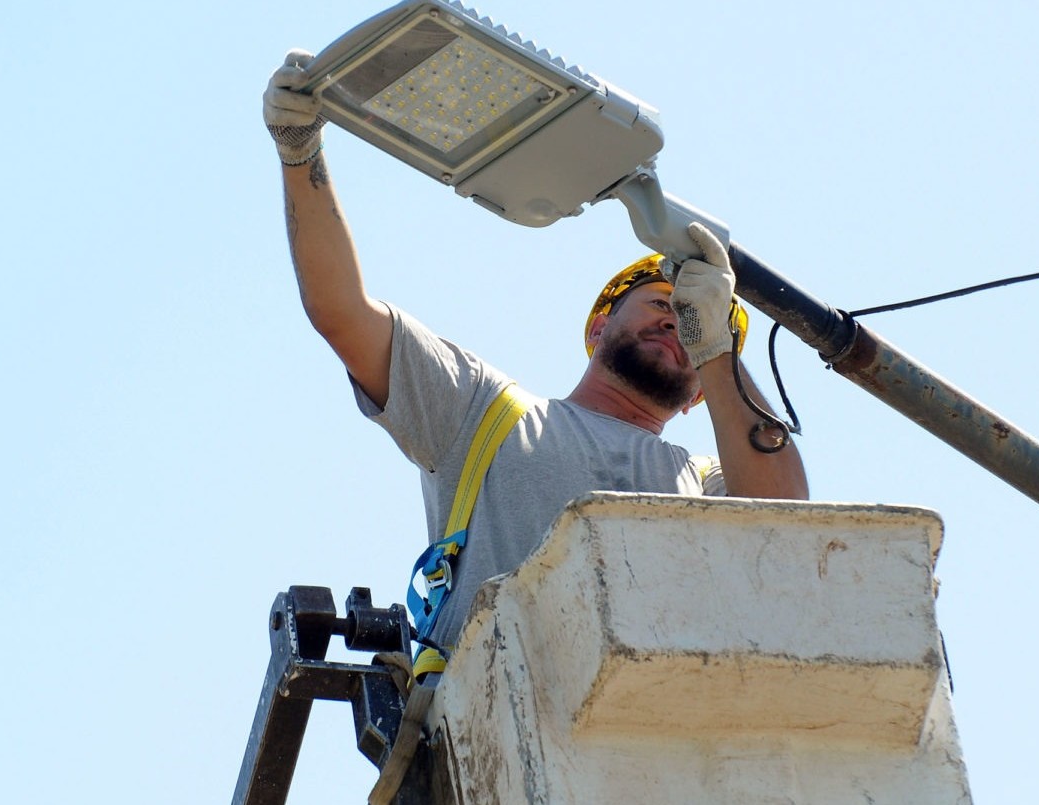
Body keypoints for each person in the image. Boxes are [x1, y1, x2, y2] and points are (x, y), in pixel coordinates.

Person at [263, 50, 810, 656]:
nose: (675, 321)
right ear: (599, 327)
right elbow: (342, 311)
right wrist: (300, 154)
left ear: (701, 396)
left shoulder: (707, 484)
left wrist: (719, 349)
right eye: (662, 302)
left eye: (693, 323)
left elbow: (786, 525)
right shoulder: (484, 413)